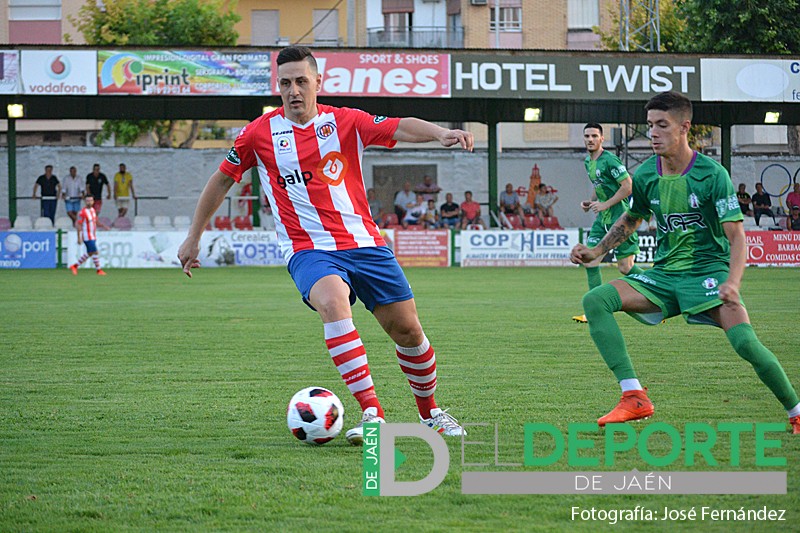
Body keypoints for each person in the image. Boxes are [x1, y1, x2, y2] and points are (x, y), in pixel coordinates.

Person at [177, 45, 471, 444]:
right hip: (307, 249)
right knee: (333, 301)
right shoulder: (258, 133)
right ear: (277, 87)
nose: (293, 90)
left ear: (318, 82)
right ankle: (373, 413)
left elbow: (398, 126)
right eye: (285, 83)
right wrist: (194, 235)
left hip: (365, 245)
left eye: (301, 81)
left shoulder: (345, 122)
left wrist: (442, 134)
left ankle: (431, 413)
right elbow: (223, 179)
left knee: (408, 332)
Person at [570, 91, 800, 434]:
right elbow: (632, 218)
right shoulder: (647, 174)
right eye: (650, 126)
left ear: (684, 128)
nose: (653, 134)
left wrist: (733, 282)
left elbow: (737, 237)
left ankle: (796, 411)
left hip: (708, 276)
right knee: (596, 300)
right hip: (663, 277)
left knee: (746, 343)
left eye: (662, 125)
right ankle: (633, 395)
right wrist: (597, 251)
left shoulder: (712, 175)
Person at [572, 123, 644, 324]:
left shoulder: (610, 160)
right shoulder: (588, 161)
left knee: (626, 267)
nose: (590, 139)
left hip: (620, 219)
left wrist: (605, 205)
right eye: (587, 136)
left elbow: (627, 186)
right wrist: (591, 202)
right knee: (591, 260)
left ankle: (659, 298)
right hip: (601, 220)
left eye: (594, 136)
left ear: (602, 138)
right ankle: (595, 310)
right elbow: (600, 185)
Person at [69, 195, 110, 276]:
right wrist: (79, 237)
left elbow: (96, 222)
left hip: (93, 235)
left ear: (93, 201)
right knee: (95, 251)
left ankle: (75, 266)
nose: (89, 202)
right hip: (87, 236)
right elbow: (79, 225)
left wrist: (104, 226)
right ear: (85, 201)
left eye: (91, 200)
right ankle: (98, 270)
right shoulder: (82, 212)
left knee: (90, 253)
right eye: (87, 201)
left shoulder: (93, 210)